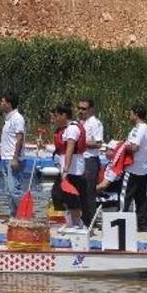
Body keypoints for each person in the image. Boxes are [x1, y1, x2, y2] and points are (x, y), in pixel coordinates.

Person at [49, 103, 87, 230]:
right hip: (68, 169)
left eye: (56, 116)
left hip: (73, 170)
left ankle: (77, 223)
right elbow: (62, 149)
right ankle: (71, 221)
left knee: (71, 197)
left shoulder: (72, 129)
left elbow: (70, 149)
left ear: (64, 115)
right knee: (58, 194)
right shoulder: (66, 129)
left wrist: (66, 169)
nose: (55, 119)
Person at [122, 105, 147, 231]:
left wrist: (121, 146)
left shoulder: (139, 129)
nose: (129, 116)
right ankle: (142, 224)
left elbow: (134, 147)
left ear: (136, 114)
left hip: (133, 168)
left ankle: (121, 222)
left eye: (131, 113)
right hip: (143, 169)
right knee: (141, 199)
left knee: (125, 197)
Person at [0, 91, 26, 218]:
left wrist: (15, 157)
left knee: (14, 190)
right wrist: (1, 152)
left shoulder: (17, 118)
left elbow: (19, 138)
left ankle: (24, 215)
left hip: (13, 159)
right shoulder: (7, 119)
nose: (1, 104)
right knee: (8, 191)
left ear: (9, 104)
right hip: (6, 157)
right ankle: (13, 215)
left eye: (2, 101)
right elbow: (8, 138)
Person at [78, 98, 104, 226]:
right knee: (80, 191)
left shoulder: (95, 123)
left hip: (90, 160)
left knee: (89, 192)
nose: (81, 111)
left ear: (91, 110)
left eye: (84, 109)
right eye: (79, 108)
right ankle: (82, 219)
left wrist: (80, 142)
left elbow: (98, 143)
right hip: (80, 160)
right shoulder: (80, 123)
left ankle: (90, 222)